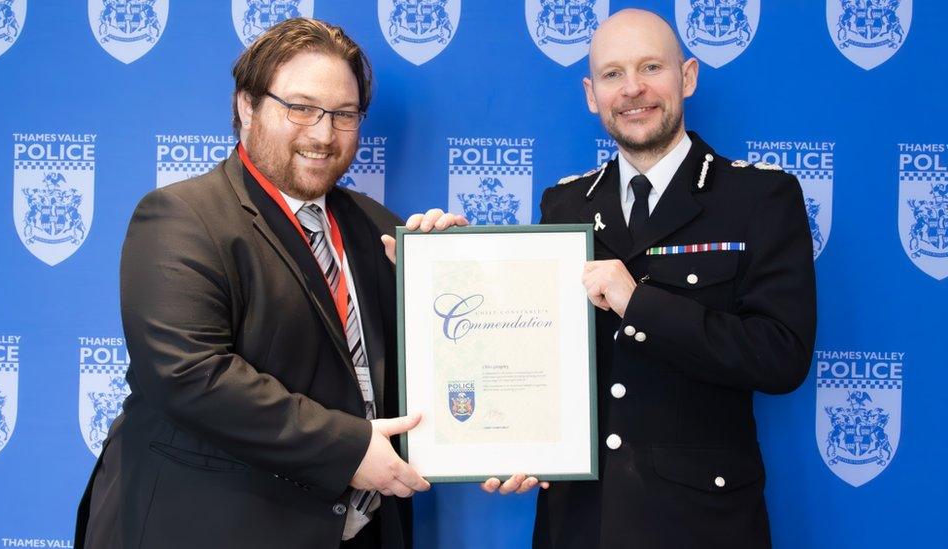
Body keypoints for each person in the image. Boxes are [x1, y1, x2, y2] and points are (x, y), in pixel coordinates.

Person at [73, 18, 449, 549]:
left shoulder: (381, 226)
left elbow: (433, 368)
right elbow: (189, 374)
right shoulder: (180, 217)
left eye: (343, 115)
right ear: (247, 106)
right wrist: (348, 451)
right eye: (300, 108)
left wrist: (449, 273)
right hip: (213, 529)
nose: (322, 134)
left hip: (359, 531)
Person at [484, 9, 817, 548]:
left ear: (687, 77)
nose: (633, 89)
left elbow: (782, 356)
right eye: (613, 74)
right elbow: (536, 353)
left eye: (651, 67)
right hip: (579, 522)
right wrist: (512, 440)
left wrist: (638, 304)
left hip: (699, 525)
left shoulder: (759, 198)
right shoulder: (563, 203)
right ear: (592, 94)